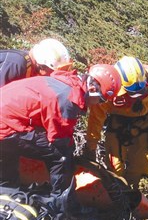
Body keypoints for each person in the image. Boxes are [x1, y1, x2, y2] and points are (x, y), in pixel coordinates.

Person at [0, 64, 121, 196]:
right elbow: (58, 139)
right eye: (101, 100)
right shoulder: (68, 100)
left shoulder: (67, 83)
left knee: (21, 151)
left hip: (8, 117)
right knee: (61, 156)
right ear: (92, 89)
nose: (98, 104)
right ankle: (58, 200)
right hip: (6, 126)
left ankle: (7, 187)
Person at [85, 56, 148, 189]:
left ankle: (132, 192)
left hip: (144, 125)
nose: (137, 95)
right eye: (132, 91)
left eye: (140, 90)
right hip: (117, 125)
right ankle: (117, 192)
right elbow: (96, 119)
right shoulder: (108, 88)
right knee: (115, 168)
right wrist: (91, 146)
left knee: (141, 166)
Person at [0, 38, 72, 87]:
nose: (51, 75)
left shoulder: (27, 66)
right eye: (52, 71)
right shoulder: (16, 63)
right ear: (44, 67)